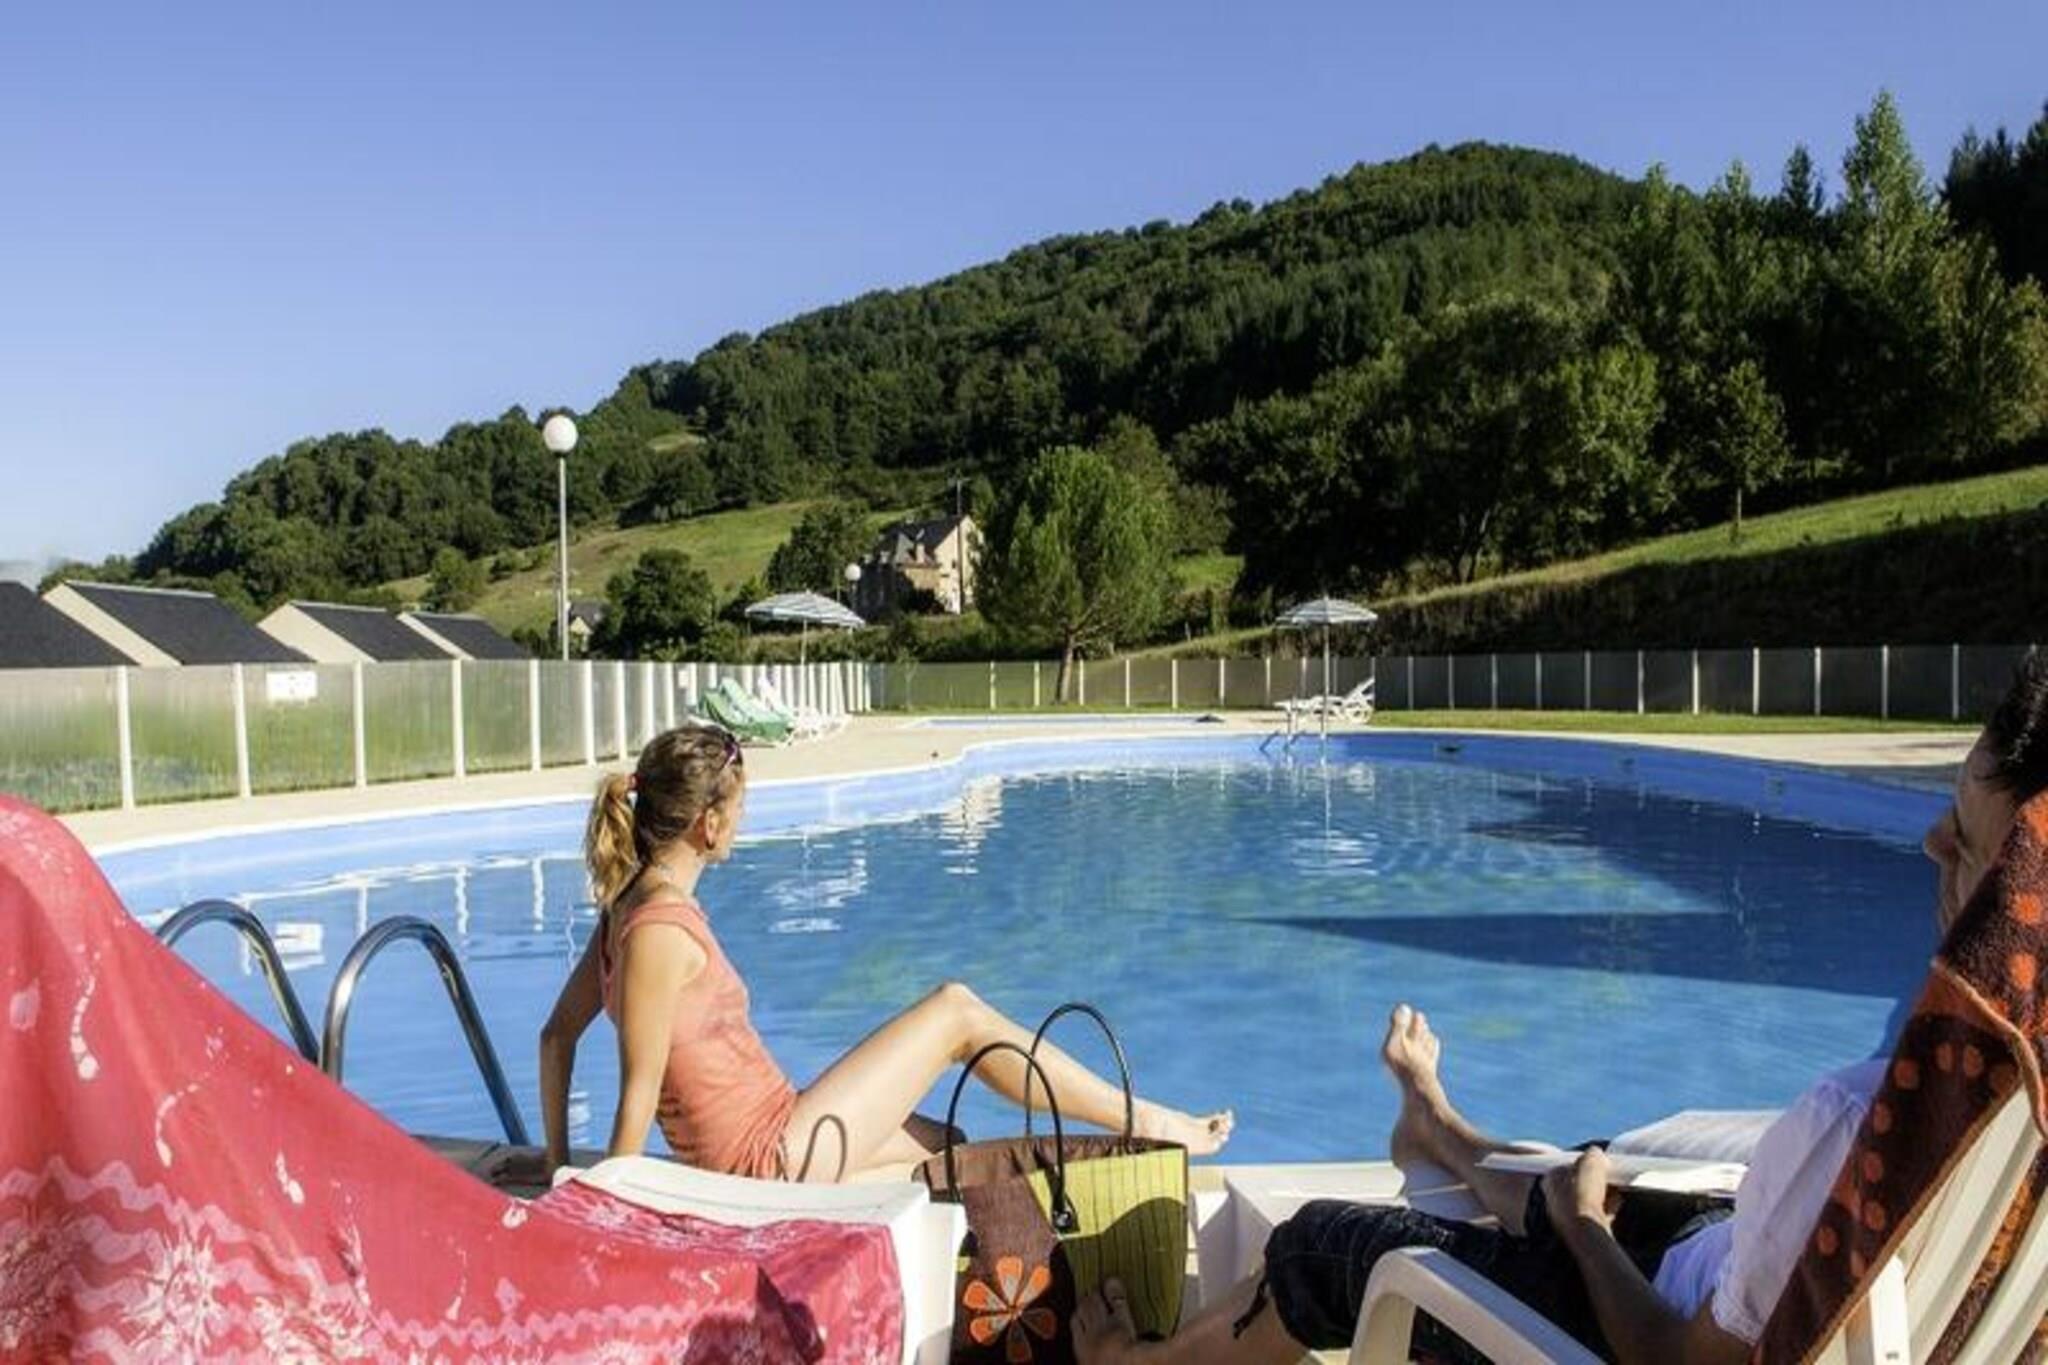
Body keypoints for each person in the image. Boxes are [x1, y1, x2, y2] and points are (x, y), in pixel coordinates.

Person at [1077, 654, 2048, 1365]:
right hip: (1733, 1268)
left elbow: (1674, 1360)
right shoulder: (1983, 1120)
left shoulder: (1852, 1124)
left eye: (1965, 840)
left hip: (1633, 1332)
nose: (1930, 842)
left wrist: (1585, 1232)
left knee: (1320, 1243)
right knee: (1602, 1176)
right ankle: (1442, 1129)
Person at [537, 723, 1233, 1182]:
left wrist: (556, 1164)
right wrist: (603, 1207)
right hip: (768, 1158)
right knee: (957, 1010)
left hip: (782, 1127)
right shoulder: (658, 931)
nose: (744, 820)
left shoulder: (628, 911)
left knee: (950, 1152)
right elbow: (637, 1089)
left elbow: (554, 1038)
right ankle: (1149, 1120)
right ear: (709, 824)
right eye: (740, 808)